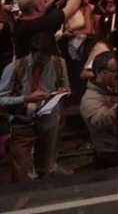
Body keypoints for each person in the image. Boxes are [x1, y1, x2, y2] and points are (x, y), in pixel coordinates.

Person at [0, 33, 71, 181]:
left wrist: (62, 92)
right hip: (22, 121)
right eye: (40, 59)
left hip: (48, 120)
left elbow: (66, 87)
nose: (44, 62)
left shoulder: (58, 63)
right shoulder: (14, 68)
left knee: (44, 169)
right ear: (32, 53)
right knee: (21, 172)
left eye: (47, 58)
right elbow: (1, 99)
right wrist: (26, 98)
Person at [12, 0, 90, 59]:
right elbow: (72, 8)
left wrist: (53, 0)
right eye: (43, 2)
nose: (45, 5)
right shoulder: (40, 24)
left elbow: (41, 9)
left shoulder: (20, 22)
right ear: (38, 8)